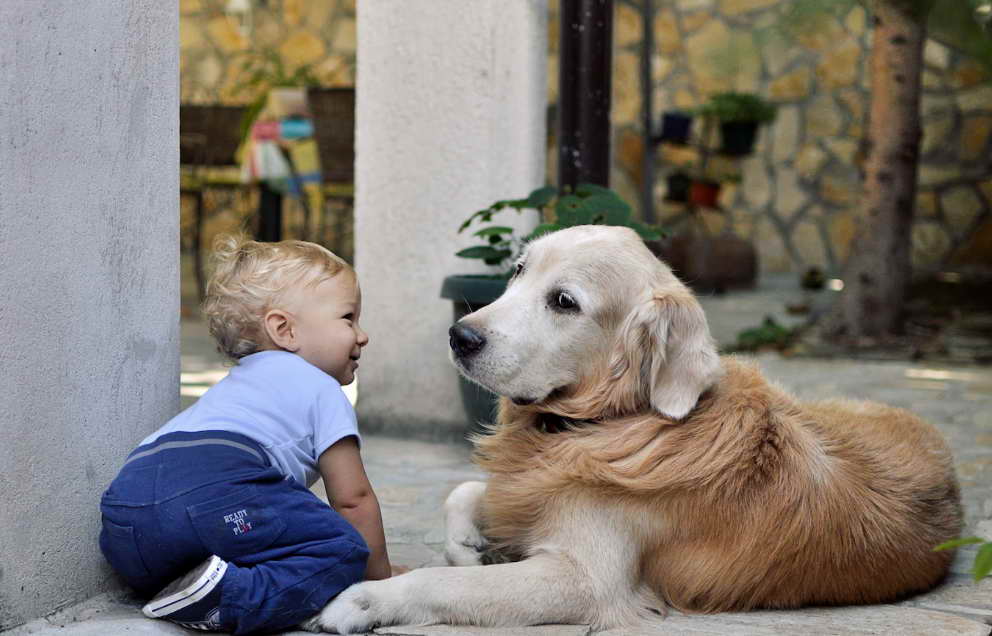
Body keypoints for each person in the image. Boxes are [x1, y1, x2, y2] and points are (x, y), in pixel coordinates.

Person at [99, 235, 392, 634]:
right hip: (215, 488)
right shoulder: (321, 388)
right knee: (342, 549)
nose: (362, 335)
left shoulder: (233, 387)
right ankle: (230, 599)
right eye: (348, 318)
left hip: (125, 516)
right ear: (284, 330)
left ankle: (193, 585)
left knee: (258, 529)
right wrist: (378, 581)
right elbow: (354, 501)